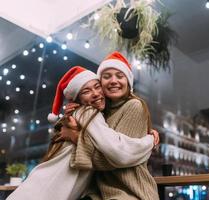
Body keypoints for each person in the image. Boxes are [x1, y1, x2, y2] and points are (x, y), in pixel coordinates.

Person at [7, 66, 158, 200]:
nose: (95, 94)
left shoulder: (104, 112)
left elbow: (114, 151)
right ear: (78, 99)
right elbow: (117, 151)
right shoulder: (89, 112)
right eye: (86, 91)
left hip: (51, 185)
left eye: (96, 87)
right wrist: (149, 141)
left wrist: (76, 136)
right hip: (48, 186)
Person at [63, 52, 160, 200]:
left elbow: (114, 159)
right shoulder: (100, 112)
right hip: (100, 193)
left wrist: (77, 138)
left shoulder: (134, 106)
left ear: (128, 82)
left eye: (120, 76)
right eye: (107, 76)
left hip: (131, 193)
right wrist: (72, 117)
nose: (113, 81)